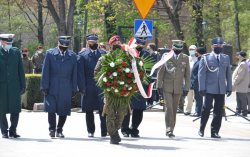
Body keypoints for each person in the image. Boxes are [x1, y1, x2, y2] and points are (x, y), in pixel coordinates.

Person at [40, 36, 77, 138]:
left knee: (64, 109)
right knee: (51, 108)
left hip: (66, 86)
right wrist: (44, 86)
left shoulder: (73, 56)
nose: (63, 49)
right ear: (58, 44)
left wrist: (74, 88)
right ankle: (52, 129)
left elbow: (75, 73)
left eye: (65, 47)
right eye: (61, 46)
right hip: (52, 85)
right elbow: (45, 71)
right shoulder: (50, 54)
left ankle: (59, 129)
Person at [94, 35, 129, 144]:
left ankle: (115, 130)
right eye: (115, 43)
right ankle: (113, 135)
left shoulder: (126, 58)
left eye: (119, 43)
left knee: (122, 114)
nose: (117, 44)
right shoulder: (104, 58)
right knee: (111, 114)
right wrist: (105, 80)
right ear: (110, 45)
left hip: (123, 91)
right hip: (109, 92)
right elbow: (96, 73)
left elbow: (132, 72)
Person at [198, 37, 232, 138]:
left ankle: (214, 131)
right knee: (206, 109)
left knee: (218, 111)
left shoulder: (226, 58)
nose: (218, 47)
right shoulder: (206, 57)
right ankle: (201, 128)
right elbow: (201, 74)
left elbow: (228, 74)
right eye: (216, 46)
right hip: (208, 89)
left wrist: (229, 87)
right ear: (212, 46)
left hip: (221, 89)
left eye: (220, 46)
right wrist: (202, 88)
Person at [157, 40, 190, 138]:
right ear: (173, 48)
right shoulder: (166, 56)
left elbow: (187, 75)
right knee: (169, 108)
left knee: (174, 109)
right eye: (176, 49)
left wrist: (186, 88)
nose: (177, 51)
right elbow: (161, 72)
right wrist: (159, 85)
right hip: (167, 86)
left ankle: (172, 128)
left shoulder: (185, 58)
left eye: (179, 49)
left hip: (178, 88)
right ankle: (169, 129)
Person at [77, 34, 107, 138]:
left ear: (97, 42)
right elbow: (80, 73)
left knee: (103, 109)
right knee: (89, 110)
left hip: (101, 84)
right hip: (88, 84)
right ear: (87, 43)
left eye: (94, 42)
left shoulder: (104, 54)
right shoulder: (82, 55)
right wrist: (81, 87)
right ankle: (90, 130)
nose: (93, 44)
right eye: (91, 43)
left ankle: (104, 131)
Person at [121, 38, 150, 138]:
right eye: (138, 44)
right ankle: (124, 129)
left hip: (140, 86)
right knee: (126, 109)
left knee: (139, 109)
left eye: (142, 44)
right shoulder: (126, 53)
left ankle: (134, 129)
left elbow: (150, 71)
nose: (140, 46)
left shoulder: (146, 54)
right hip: (127, 84)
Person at [0, 34, 26, 138]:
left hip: (14, 86)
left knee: (15, 109)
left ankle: (13, 130)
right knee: (1, 110)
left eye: (11, 43)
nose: (9, 45)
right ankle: (4, 131)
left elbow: (21, 70)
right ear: (1, 42)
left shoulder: (16, 52)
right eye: (7, 43)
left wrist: (23, 85)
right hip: (1, 86)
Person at [190, 47, 206, 117]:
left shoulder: (202, 61)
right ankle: (198, 110)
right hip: (195, 82)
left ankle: (198, 112)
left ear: (199, 53)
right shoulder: (199, 60)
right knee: (197, 98)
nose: (195, 53)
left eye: (196, 52)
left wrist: (194, 81)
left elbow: (199, 74)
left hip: (198, 82)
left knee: (199, 98)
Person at [232, 51, 249, 117]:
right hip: (240, 84)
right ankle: (238, 111)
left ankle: (244, 112)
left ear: (241, 56)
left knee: (242, 98)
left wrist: (235, 82)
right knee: (239, 98)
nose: (237, 56)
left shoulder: (243, 64)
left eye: (238, 55)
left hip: (241, 84)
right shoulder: (242, 63)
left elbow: (240, 75)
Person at [184, 45, 197, 116]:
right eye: (190, 49)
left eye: (193, 49)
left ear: (196, 50)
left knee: (196, 97)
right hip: (188, 80)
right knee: (189, 97)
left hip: (196, 80)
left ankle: (197, 110)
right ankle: (188, 110)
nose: (191, 50)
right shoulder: (187, 58)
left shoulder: (198, 58)